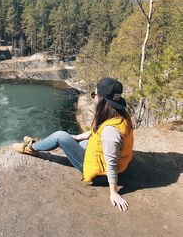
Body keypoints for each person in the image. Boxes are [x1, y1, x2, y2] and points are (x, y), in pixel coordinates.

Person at [13, 77, 134, 211]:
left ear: (102, 99)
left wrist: (114, 192)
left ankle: (31, 147)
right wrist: (76, 137)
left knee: (61, 136)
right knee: (81, 141)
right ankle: (43, 143)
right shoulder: (118, 115)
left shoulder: (110, 131)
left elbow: (111, 162)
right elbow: (95, 133)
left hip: (100, 175)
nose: (93, 98)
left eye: (95, 95)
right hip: (105, 164)